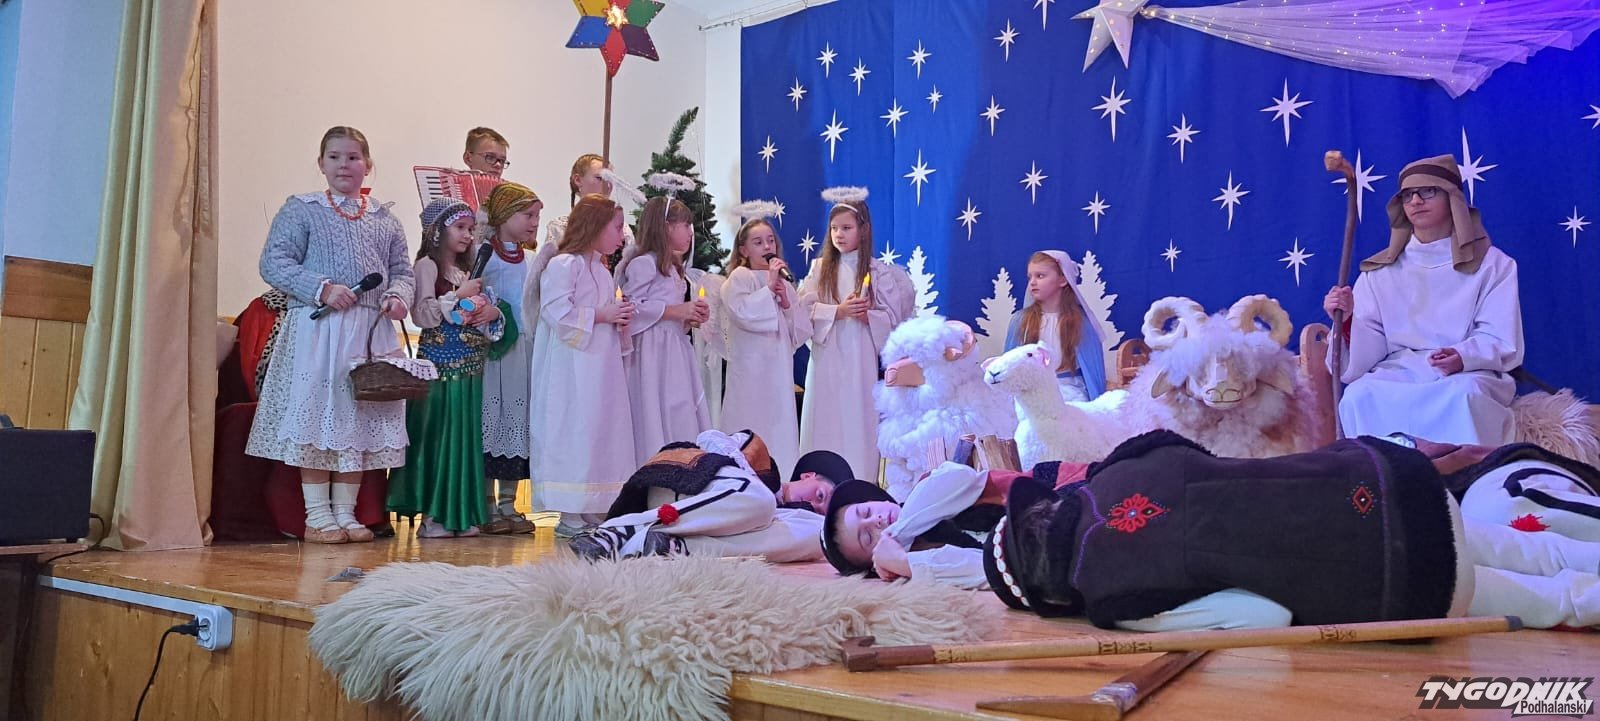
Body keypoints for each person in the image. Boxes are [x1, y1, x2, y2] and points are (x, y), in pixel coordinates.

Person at [247, 126, 414, 545]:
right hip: (319, 331)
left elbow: (402, 271)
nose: (344, 165)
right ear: (321, 164)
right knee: (320, 418)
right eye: (335, 157)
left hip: (368, 333)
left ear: (368, 165)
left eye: (353, 157)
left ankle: (346, 513)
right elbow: (274, 262)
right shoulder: (301, 210)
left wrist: (397, 297)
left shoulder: (385, 218)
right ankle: (317, 515)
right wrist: (322, 288)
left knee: (358, 420)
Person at [1324, 153, 1523, 446]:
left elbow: (1499, 335)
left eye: (1427, 191)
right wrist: (1348, 319)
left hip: (1465, 372)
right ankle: (1386, 474)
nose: (1416, 201)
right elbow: (1370, 344)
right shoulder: (1379, 271)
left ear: (1452, 198)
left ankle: (1465, 472)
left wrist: (1462, 357)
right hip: (1398, 370)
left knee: (1465, 397)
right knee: (1359, 396)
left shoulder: (1492, 265)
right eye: (1408, 195)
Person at [387, 199, 504, 538]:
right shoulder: (426, 266)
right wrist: (457, 296)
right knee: (440, 438)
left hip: (470, 369)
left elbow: (479, 313)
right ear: (438, 231)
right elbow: (422, 314)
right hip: (440, 369)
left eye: (471, 229)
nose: (467, 235)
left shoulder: (468, 272)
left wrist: (491, 313)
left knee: (463, 440)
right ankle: (434, 515)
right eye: (460, 228)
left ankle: (460, 515)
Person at [525, 193, 636, 537]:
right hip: (570, 368)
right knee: (573, 429)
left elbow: (603, 311)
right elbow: (556, 312)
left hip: (600, 367)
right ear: (595, 226)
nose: (621, 236)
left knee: (598, 430)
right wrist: (602, 315)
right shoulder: (564, 264)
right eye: (617, 228)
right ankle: (569, 511)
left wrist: (619, 319)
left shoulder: (601, 269)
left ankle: (591, 505)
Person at [570, 435, 852, 562]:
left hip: (687, 527)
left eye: (820, 507)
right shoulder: (762, 460)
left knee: (817, 534)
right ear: (808, 475)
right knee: (762, 502)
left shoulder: (783, 514)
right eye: (820, 495)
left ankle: (673, 546)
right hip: (681, 483)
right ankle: (624, 528)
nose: (814, 504)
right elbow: (709, 437)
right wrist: (751, 480)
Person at [798, 189, 914, 481]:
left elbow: (893, 319)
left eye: (846, 228)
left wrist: (868, 316)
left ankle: (859, 479)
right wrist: (838, 311)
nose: (839, 234)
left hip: (859, 359)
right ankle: (819, 480)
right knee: (826, 414)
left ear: (863, 230)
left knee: (857, 415)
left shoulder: (879, 273)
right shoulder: (820, 269)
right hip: (826, 358)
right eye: (834, 228)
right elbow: (802, 312)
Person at [619, 196, 712, 465]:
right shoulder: (644, 264)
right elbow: (631, 307)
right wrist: (676, 311)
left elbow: (670, 315)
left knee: (678, 406)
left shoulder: (673, 268)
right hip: (652, 353)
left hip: (674, 350)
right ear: (666, 227)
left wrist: (689, 318)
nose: (690, 233)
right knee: (656, 406)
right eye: (685, 225)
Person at [719, 215, 810, 478]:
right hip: (751, 370)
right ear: (743, 250)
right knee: (751, 419)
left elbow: (800, 332)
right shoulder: (740, 277)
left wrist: (786, 303)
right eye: (758, 242)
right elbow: (742, 312)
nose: (767, 247)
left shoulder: (783, 283)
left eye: (770, 240)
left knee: (778, 422)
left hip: (777, 370)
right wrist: (768, 289)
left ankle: (782, 475)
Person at [475, 183, 541, 535]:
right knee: (491, 421)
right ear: (503, 215)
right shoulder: (483, 255)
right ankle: (486, 505)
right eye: (526, 215)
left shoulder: (531, 260)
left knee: (517, 421)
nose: (534, 222)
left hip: (523, 352)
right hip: (493, 352)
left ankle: (509, 504)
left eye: (536, 216)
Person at [1004, 250, 1106, 402]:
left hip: (1071, 390)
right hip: (1031, 391)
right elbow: (1009, 364)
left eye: (1040, 276)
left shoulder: (1080, 322)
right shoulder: (1021, 320)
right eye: (1030, 277)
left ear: (1063, 279)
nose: (1032, 282)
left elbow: (1093, 369)